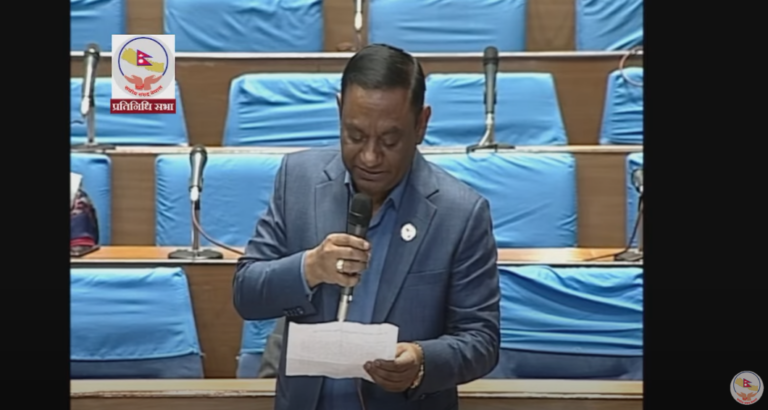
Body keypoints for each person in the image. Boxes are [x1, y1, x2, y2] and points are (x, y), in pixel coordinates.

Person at [232, 44, 500, 410]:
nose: (370, 157)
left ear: (421, 124)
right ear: (339, 109)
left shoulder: (461, 213)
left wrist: (422, 361)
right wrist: (309, 268)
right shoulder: (297, 179)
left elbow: (481, 339)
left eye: (390, 140)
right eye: (355, 136)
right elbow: (246, 294)